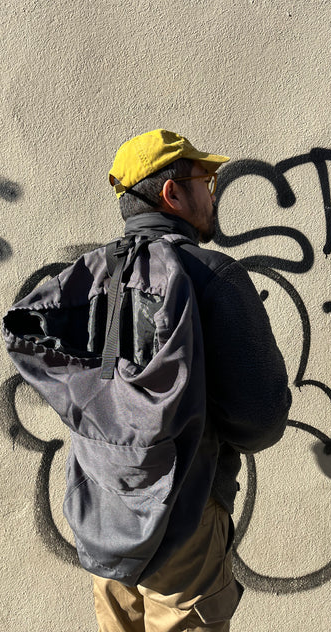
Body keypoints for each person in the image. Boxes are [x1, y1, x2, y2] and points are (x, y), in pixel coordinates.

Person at [90, 129, 292, 631]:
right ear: (172, 194)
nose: (214, 191)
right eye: (207, 178)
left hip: (105, 510)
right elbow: (262, 417)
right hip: (185, 515)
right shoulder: (211, 275)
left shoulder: (90, 276)